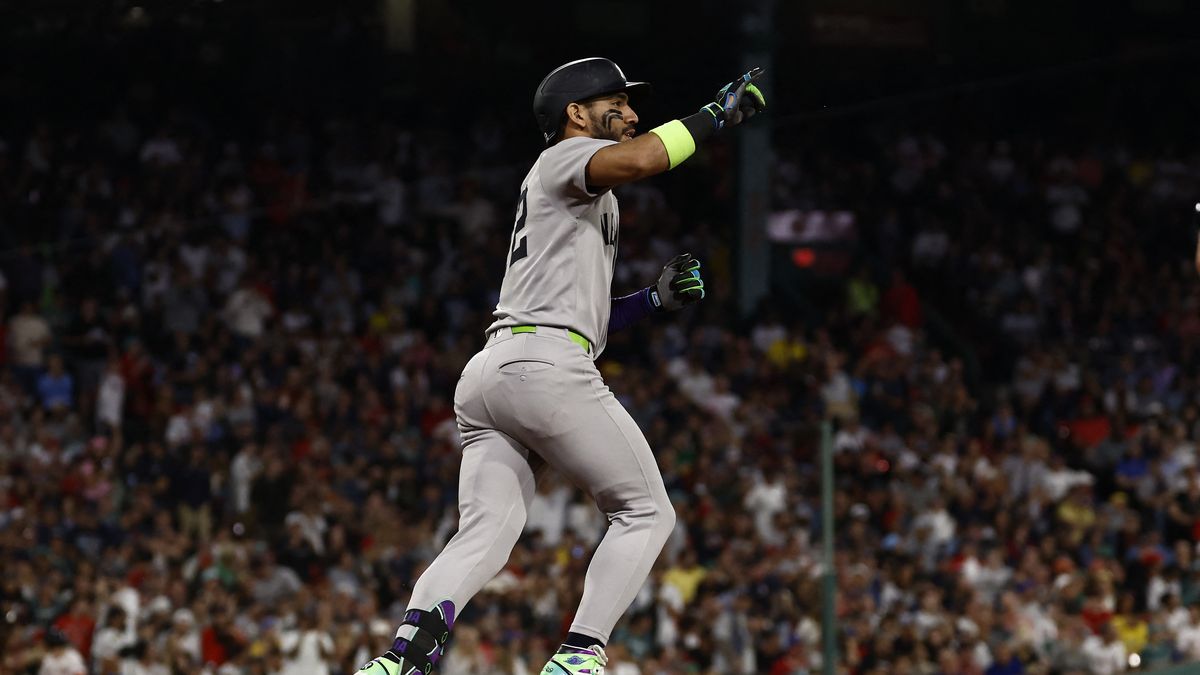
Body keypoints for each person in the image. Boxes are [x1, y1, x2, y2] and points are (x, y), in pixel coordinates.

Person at [361, 57, 766, 675]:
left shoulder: (575, 189)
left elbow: (588, 317)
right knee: (646, 512)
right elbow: (645, 160)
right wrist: (714, 115)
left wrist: (653, 300)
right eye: (616, 102)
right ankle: (580, 654)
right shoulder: (564, 159)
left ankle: (403, 657)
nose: (631, 114)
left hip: (496, 369)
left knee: (486, 532)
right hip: (544, 366)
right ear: (576, 114)